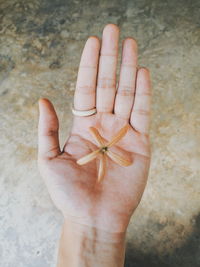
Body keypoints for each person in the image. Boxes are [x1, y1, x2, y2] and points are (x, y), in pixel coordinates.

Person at [38, 23, 151, 267]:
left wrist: (87, 226)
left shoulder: (104, 147)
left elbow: (104, 148)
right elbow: (104, 148)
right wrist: (91, 224)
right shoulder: (104, 147)